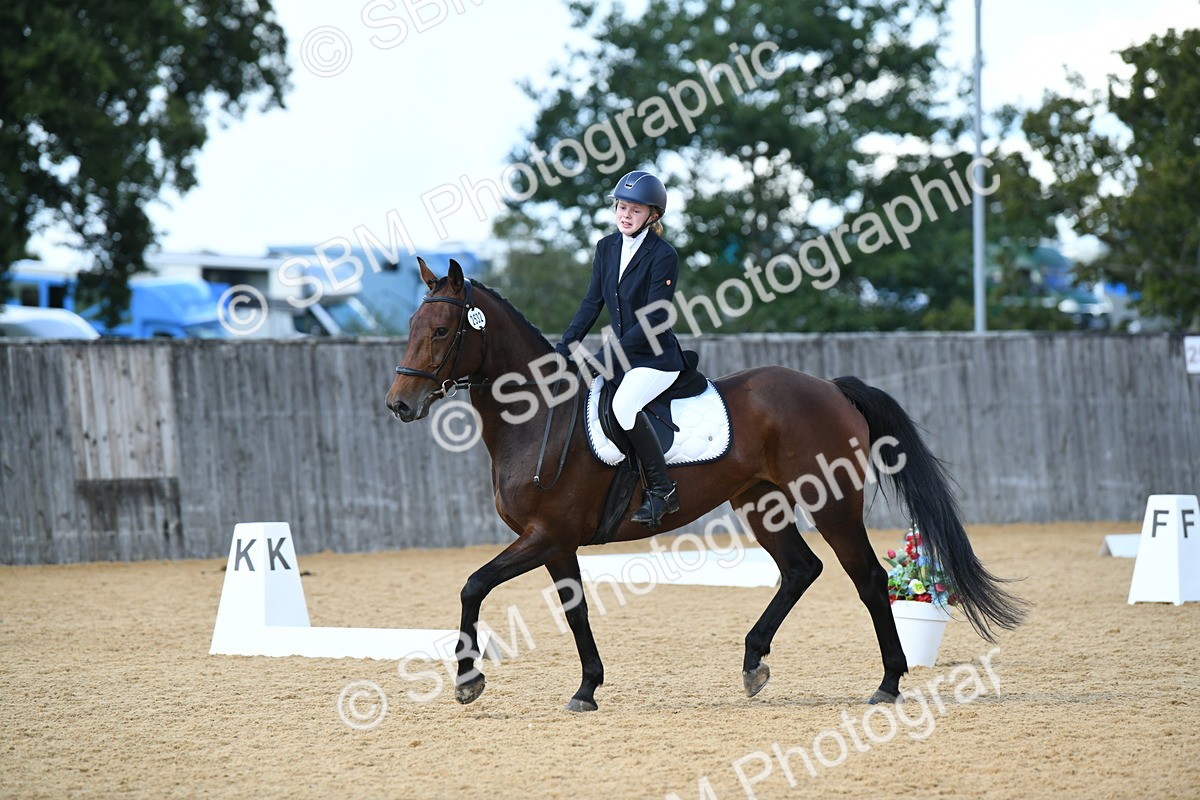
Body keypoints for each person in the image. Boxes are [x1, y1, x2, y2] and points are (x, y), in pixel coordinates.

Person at [555, 169, 687, 528]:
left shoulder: (663, 255)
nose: (625, 215)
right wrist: (564, 348)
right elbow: (591, 303)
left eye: (635, 210)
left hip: (655, 359)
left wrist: (605, 359)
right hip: (623, 356)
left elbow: (653, 319)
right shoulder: (606, 247)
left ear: (653, 215)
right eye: (621, 207)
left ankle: (663, 491)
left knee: (623, 405)